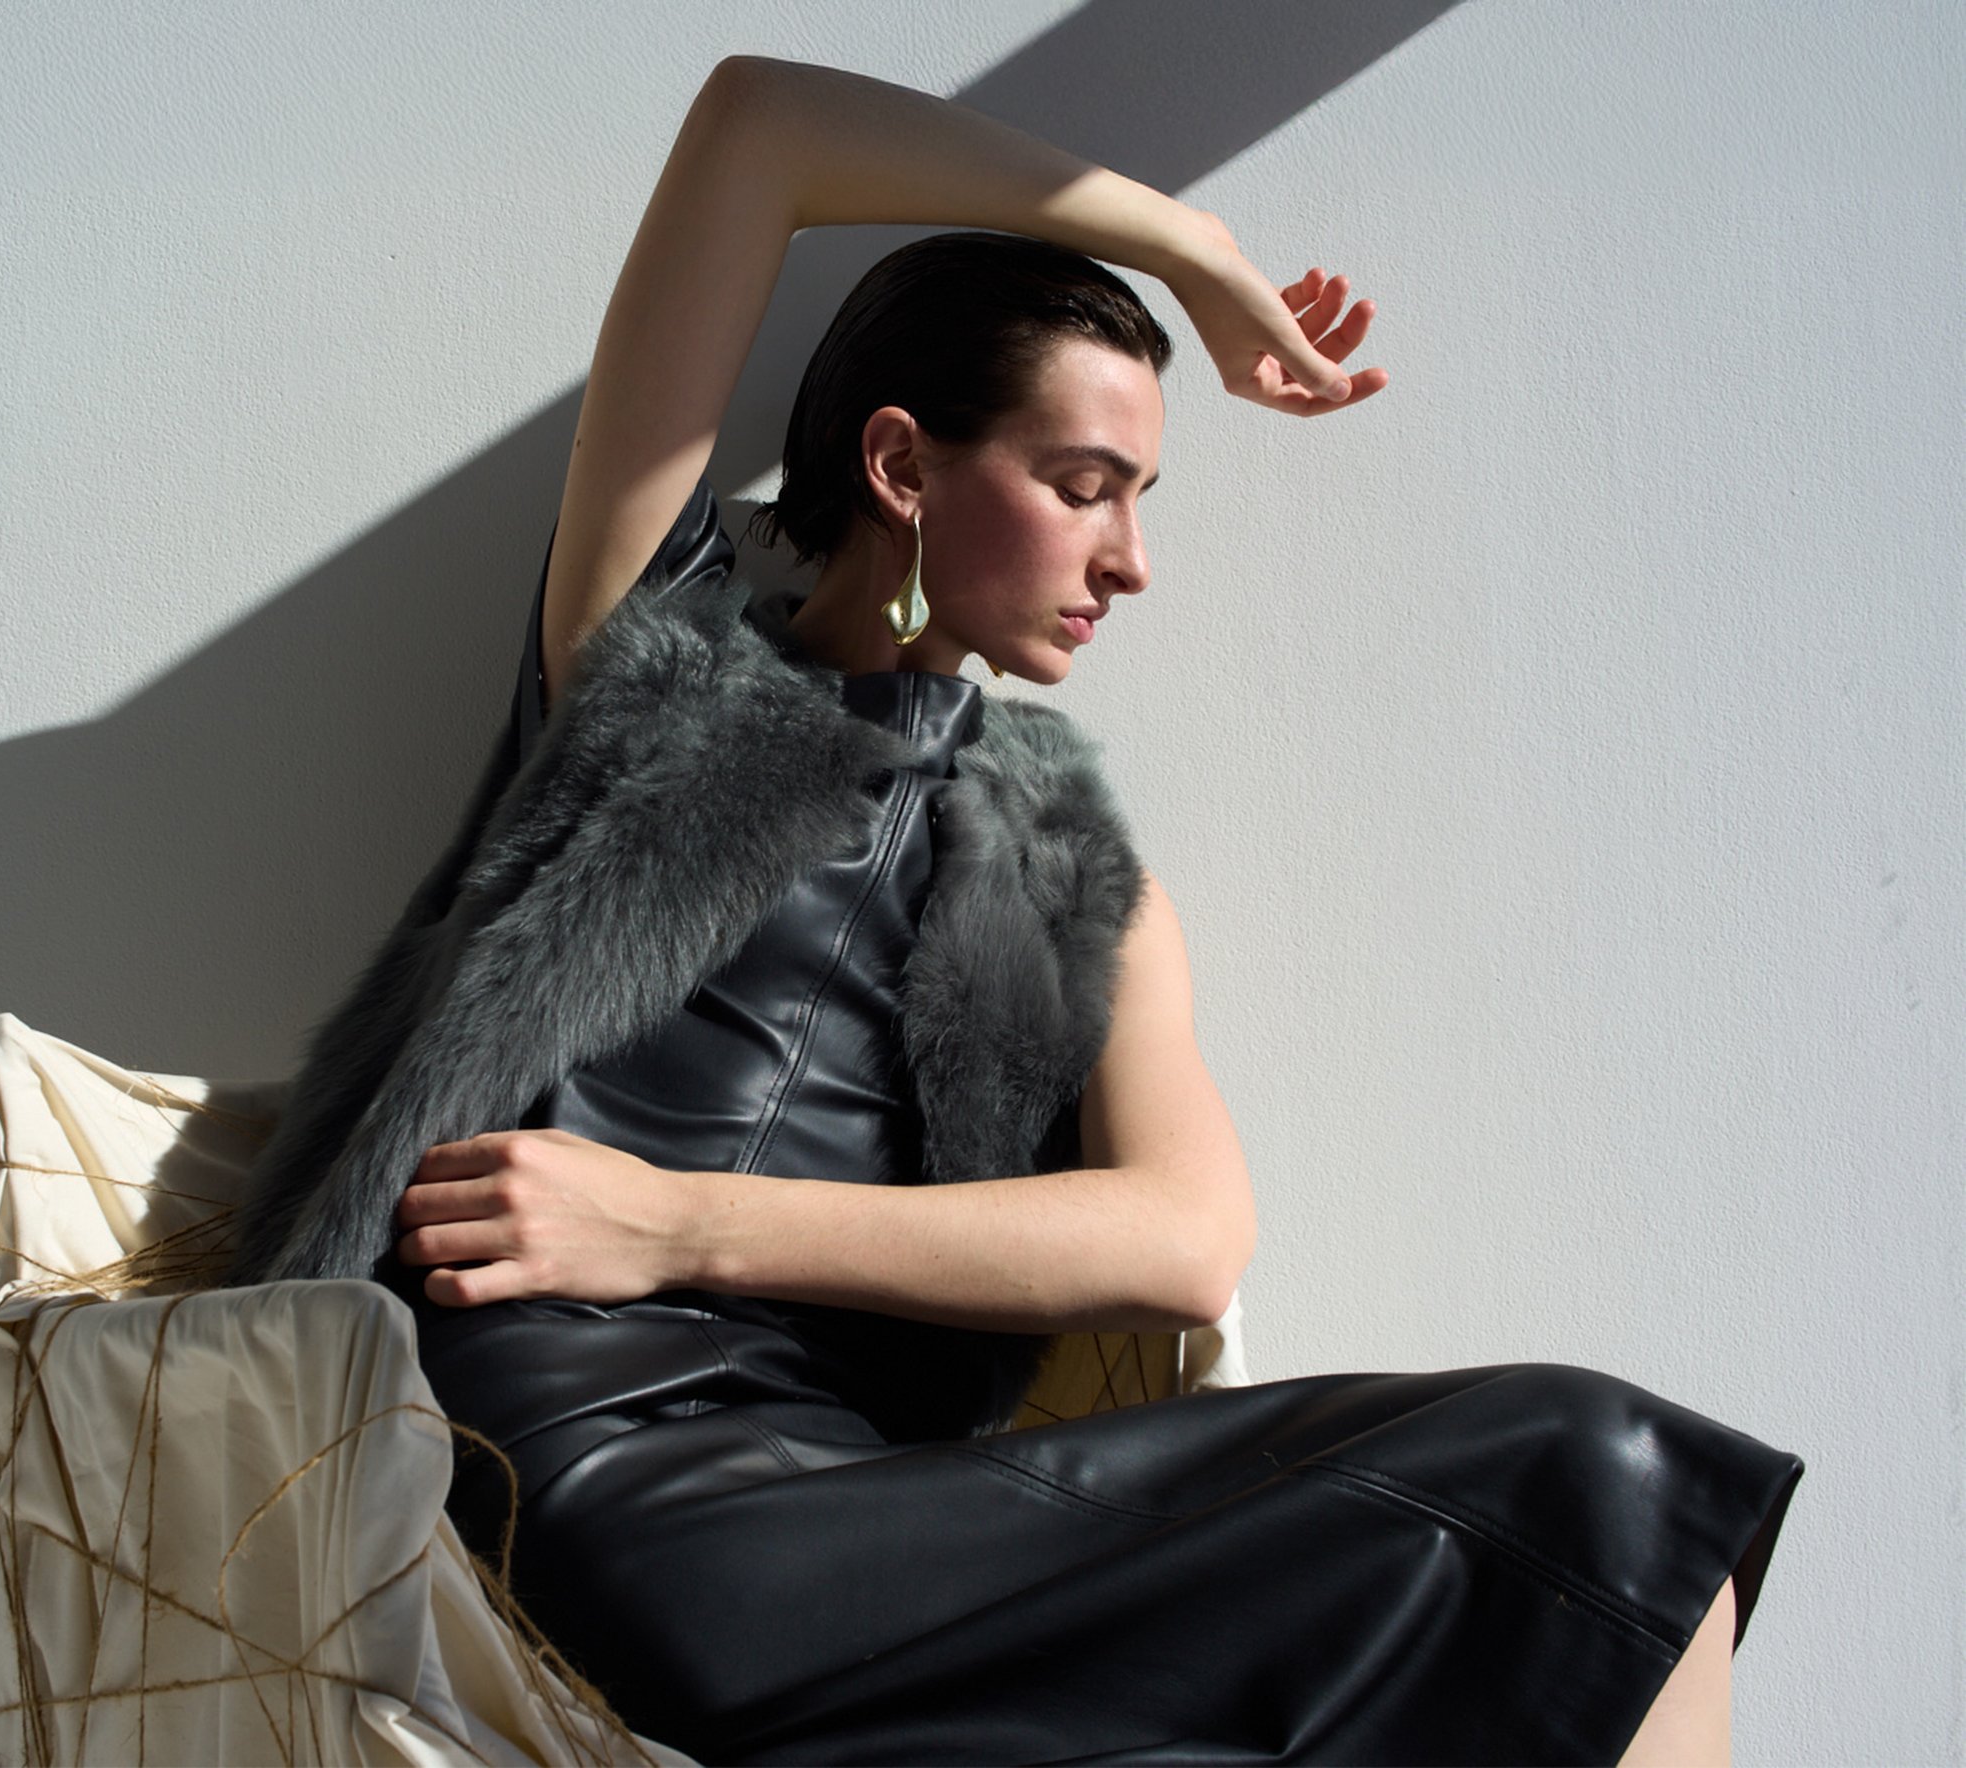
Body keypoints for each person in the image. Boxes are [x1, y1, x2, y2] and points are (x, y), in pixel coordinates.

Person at [227, 55, 1801, 1765]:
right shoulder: (647, 669)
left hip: (876, 1512)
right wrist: (1187, 247)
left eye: (1141, 498)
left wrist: (678, 1225)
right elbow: (758, 129)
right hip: (591, 1485)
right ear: (903, 464)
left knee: (1622, 1522)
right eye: (1084, 483)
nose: (1131, 560)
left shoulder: (1071, 869)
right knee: (1588, 1484)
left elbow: (1183, 1239)